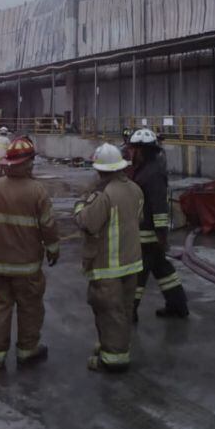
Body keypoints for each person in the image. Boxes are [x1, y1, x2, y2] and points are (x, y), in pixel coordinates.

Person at [0, 136, 58, 369]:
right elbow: (48, 226)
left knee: (0, 305)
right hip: (26, 264)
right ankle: (27, 349)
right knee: (30, 306)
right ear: (27, 164)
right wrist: (53, 249)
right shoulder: (37, 191)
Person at [74, 143, 143, 373]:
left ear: (102, 170)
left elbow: (87, 222)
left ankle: (113, 359)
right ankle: (113, 346)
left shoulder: (104, 195)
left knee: (108, 312)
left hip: (108, 267)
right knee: (122, 311)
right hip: (131, 263)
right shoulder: (134, 189)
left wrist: (80, 205)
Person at [129, 128, 189, 319]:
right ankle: (177, 305)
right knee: (163, 271)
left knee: (138, 273)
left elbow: (159, 206)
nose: (130, 152)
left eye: (133, 148)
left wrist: (161, 234)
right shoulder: (144, 168)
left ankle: (130, 309)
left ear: (142, 150)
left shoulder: (152, 173)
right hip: (149, 234)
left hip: (148, 235)